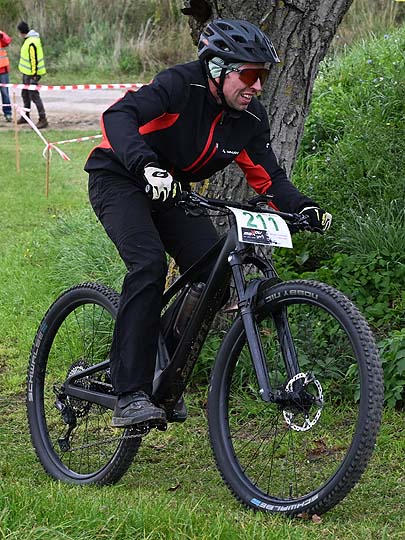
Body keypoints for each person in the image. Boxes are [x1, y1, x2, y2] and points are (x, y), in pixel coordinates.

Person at [84, 19, 332, 428]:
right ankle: (129, 392)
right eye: (249, 75)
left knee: (212, 275)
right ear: (218, 68)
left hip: (171, 191)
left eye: (263, 77)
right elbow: (119, 115)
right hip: (119, 176)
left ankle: (159, 369)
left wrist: (303, 207)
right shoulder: (181, 85)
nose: (257, 86)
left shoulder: (250, 119)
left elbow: (269, 177)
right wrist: (145, 166)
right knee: (148, 264)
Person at [16, 20, 48, 129]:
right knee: (25, 94)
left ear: (21, 32)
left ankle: (43, 119)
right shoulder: (29, 40)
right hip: (27, 73)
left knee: (34, 95)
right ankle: (26, 116)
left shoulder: (31, 42)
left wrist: (34, 75)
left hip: (32, 74)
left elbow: (33, 59)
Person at [0, 29, 12, 122]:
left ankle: (8, 113)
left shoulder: (0, 35)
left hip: (2, 70)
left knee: (5, 93)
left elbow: (7, 41)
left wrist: (1, 35)